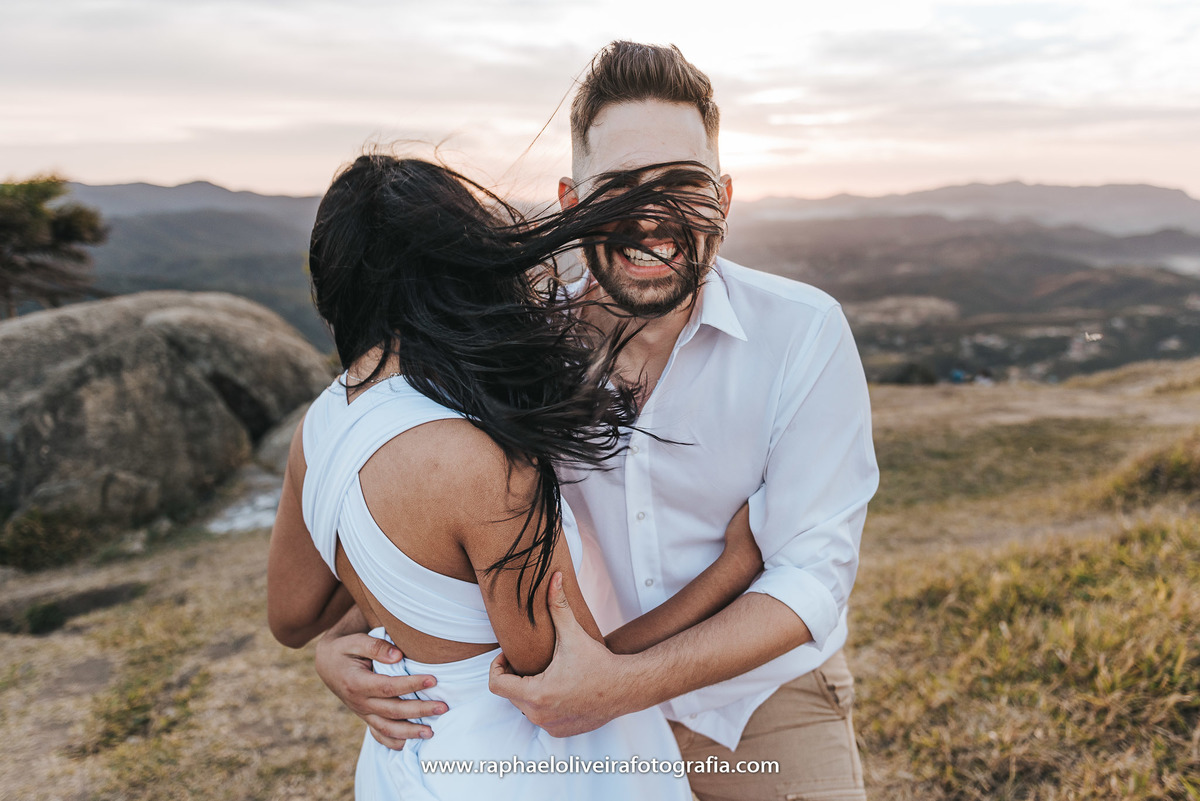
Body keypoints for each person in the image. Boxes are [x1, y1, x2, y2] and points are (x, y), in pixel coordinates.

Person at [316, 41, 880, 801]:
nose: (652, 216)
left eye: (685, 184)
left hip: (757, 699)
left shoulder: (803, 332)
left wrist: (623, 684)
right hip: (559, 723)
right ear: (572, 204)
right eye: (618, 189)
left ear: (726, 198)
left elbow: (813, 575)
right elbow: (441, 504)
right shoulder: (509, 344)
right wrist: (342, 641)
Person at [266, 153, 768, 799]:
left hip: (405, 762)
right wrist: (735, 564)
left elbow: (292, 618)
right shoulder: (481, 460)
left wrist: (351, 641)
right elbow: (567, 675)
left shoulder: (325, 420)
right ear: (470, 263)